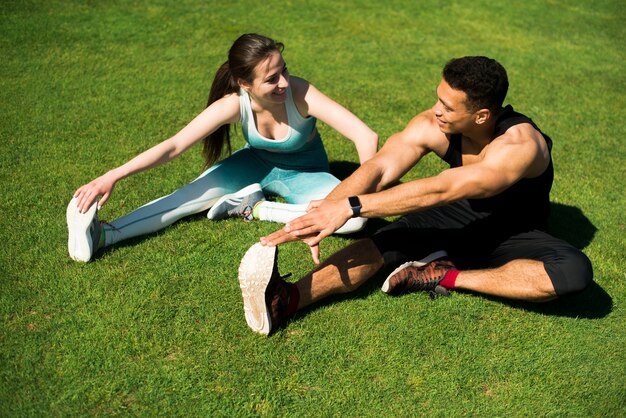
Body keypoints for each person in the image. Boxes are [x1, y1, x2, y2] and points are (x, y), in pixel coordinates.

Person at [237, 56, 593, 335]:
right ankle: (286, 301)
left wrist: (352, 207)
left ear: (482, 115)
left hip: (516, 231)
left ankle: (442, 274)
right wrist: (323, 210)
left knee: (574, 272)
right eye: (438, 99)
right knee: (376, 246)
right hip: (454, 216)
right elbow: (380, 168)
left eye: (448, 107)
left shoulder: (520, 146)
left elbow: (444, 187)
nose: (437, 110)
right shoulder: (433, 125)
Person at [66, 33, 378, 262]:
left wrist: (368, 196)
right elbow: (174, 146)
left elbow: (365, 136)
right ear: (245, 84)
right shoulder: (234, 104)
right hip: (253, 164)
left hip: (307, 173)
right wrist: (112, 175)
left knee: (356, 218)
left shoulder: (300, 92)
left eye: (284, 70)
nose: (283, 81)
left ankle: (257, 207)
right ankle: (103, 234)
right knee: (184, 200)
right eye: (272, 79)